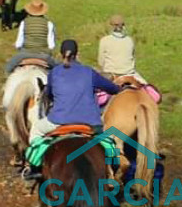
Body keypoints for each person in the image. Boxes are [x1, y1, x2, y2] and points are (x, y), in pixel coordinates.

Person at [24, 40, 122, 179]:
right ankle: (111, 170)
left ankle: (34, 167)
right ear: (78, 54)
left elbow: (49, 94)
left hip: (59, 121)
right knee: (109, 140)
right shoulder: (89, 72)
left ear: (60, 54)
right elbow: (112, 88)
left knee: (36, 129)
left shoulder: (54, 73)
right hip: (89, 123)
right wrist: (119, 88)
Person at [4, 0, 56, 73]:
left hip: (24, 55)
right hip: (44, 55)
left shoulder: (24, 23)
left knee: (8, 68)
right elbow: (51, 45)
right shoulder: (49, 24)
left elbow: (18, 44)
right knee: (58, 69)